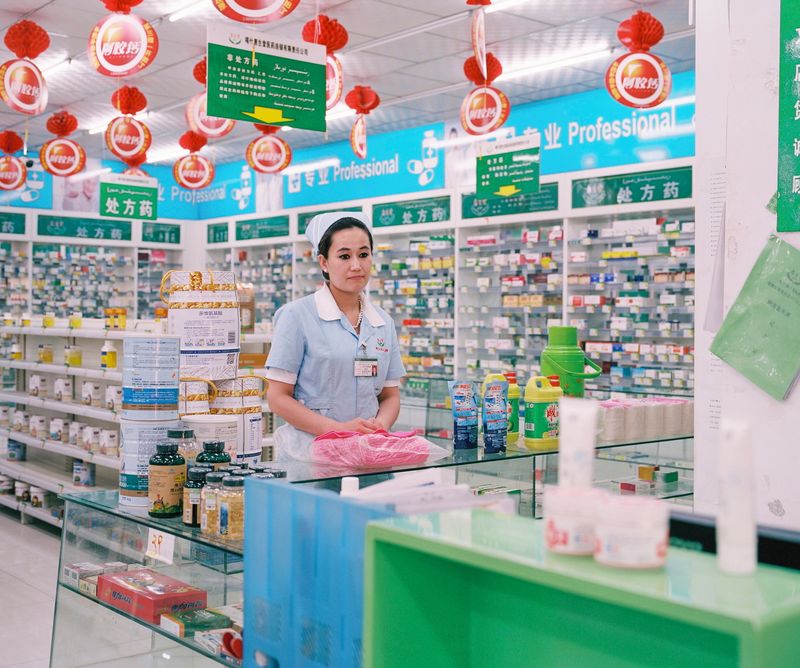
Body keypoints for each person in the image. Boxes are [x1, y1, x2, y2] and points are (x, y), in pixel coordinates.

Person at [265, 211, 405, 460]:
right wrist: (339, 431)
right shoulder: (297, 315)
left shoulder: (383, 322)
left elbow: (390, 395)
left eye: (363, 254)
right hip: (312, 457)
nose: (356, 265)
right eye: (344, 256)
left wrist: (380, 427)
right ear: (324, 262)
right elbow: (277, 398)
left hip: (369, 454)